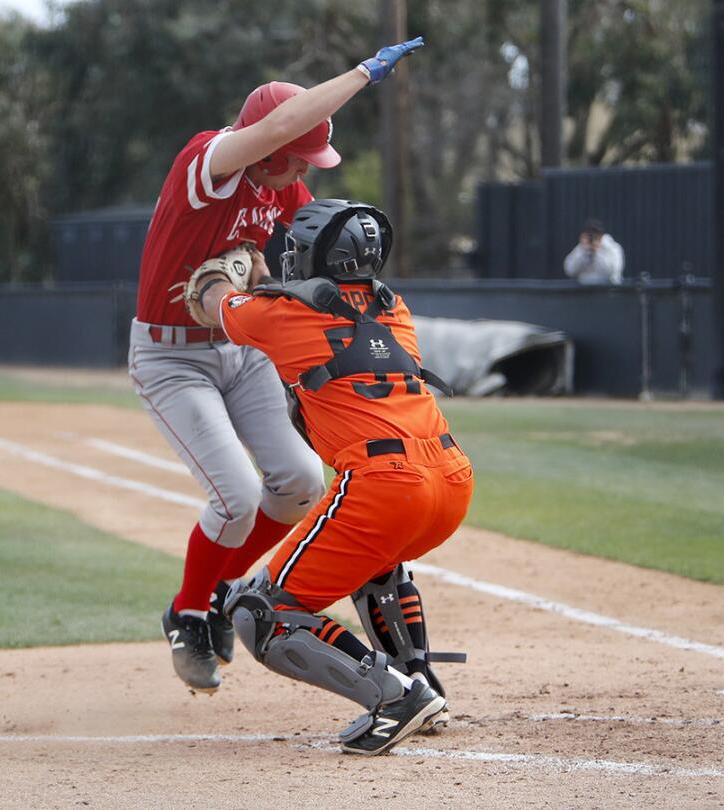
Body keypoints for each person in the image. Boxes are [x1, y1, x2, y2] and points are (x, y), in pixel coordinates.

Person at [132, 38, 427, 695]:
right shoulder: (208, 161)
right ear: (264, 144)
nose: (302, 169)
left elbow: (312, 254)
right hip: (171, 354)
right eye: (294, 156)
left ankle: (215, 592)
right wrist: (363, 73)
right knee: (235, 495)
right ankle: (187, 612)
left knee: (298, 482)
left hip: (238, 348)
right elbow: (278, 127)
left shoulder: (283, 185)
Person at [192, 199, 474, 756]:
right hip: (452, 480)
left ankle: (397, 698)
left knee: (262, 614)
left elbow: (215, 305)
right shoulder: (395, 309)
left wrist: (220, 273)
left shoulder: (283, 315)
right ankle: (421, 682)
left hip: (386, 484)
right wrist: (265, 281)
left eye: (298, 248)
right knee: (375, 564)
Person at [563, 218, 624, 285]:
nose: (593, 237)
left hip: (606, 290)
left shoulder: (612, 248)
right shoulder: (581, 248)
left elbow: (611, 272)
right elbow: (570, 271)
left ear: (601, 235)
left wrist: (596, 253)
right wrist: (585, 253)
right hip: (584, 291)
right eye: (589, 234)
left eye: (596, 234)